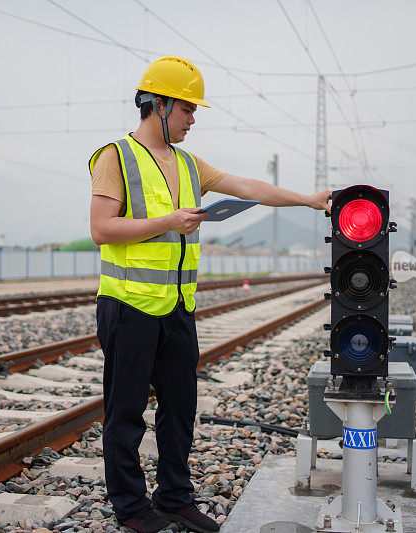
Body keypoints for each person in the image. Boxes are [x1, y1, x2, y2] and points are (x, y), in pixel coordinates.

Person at [89, 55, 331, 533]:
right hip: (128, 308)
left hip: (177, 308)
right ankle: (131, 507)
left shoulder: (187, 163)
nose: (193, 119)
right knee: (126, 412)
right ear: (158, 105)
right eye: (187, 109)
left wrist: (308, 199)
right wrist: (168, 221)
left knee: (180, 409)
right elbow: (101, 229)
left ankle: (175, 497)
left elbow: (247, 185)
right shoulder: (115, 157)